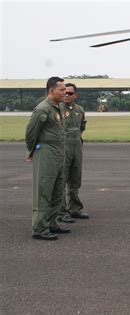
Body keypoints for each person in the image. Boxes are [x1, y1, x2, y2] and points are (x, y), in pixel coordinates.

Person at [25, 77, 71, 240]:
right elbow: (31, 133)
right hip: (46, 155)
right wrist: (33, 150)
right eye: (62, 89)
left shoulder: (57, 108)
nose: (65, 92)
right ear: (51, 91)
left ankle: (51, 223)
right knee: (43, 192)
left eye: (65, 89)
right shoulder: (43, 109)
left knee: (57, 192)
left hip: (58, 155)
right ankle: (39, 228)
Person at [58, 83, 89, 223]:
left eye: (70, 93)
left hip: (77, 146)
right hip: (62, 147)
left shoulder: (79, 110)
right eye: (64, 92)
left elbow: (81, 127)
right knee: (61, 179)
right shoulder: (57, 109)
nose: (66, 95)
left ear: (75, 95)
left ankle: (74, 208)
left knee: (75, 179)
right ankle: (60, 212)